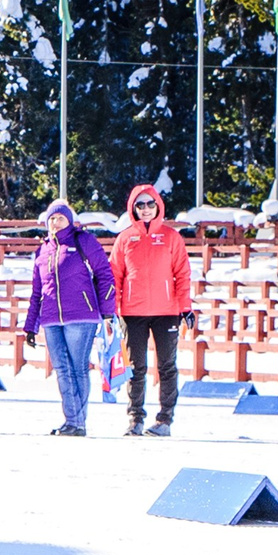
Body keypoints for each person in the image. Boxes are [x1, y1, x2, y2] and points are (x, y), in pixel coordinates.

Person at [19, 199, 116, 437]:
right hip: (51, 318)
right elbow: (36, 290)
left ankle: (77, 422)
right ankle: (72, 421)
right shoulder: (43, 250)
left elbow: (105, 274)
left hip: (81, 316)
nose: (55, 222)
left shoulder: (84, 242)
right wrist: (30, 325)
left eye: (60, 217)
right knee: (62, 370)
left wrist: (107, 311)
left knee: (78, 369)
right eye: (51, 218)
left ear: (70, 221)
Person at [110, 181, 193, 437]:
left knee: (167, 365)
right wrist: (112, 310)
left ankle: (165, 419)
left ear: (158, 206)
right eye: (140, 205)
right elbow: (114, 275)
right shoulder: (125, 238)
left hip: (166, 310)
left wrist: (185, 307)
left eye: (150, 204)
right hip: (133, 312)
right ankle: (135, 417)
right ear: (133, 209)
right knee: (136, 367)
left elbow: (183, 273)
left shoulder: (171, 237)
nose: (145, 209)